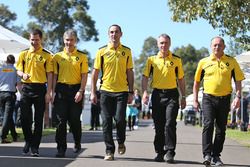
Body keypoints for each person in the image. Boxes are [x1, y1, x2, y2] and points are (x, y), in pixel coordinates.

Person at [193, 36, 245, 166]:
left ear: (224, 47)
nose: (217, 47)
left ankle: (216, 156)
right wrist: (195, 99)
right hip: (208, 98)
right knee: (208, 124)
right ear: (211, 47)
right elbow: (196, 82)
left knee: (221, 128)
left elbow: (238, 80)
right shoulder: (203, 62)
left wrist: (238, 97)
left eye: (219, 45)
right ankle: (207, 154)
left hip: (225, 99)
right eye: (215, 45)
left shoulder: (231, 61)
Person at [90, 24, 134, 161]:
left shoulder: (127, 51)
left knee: (120, 119)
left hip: (122, 92)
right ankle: (109, 150)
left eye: (116, 32)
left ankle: (121, 141)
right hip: (105, 92)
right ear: (108, 35)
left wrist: (131, 91)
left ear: (121, 34)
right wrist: (92, 92)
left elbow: (130, 72)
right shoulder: (101, 51)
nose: (113, 34)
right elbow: (95, 73)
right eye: (111, 32)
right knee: (106, 122)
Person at [142, 34, 186, 163]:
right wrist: (144, 92)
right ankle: (159, 152)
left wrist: (183, 96)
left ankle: (170, 152)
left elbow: (181, 79)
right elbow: (145, 77)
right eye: (161, 43)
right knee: (159, 125)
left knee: (170, 123)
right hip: (157, 95)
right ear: (157, 44)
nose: (164, 45)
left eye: (166, 43)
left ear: (170, 44)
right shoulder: (151, 60)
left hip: (172, 94)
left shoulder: (176, 60)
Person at [16, 29, 53, 156]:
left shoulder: (47, 55)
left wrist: (49, 92)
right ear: (29, 39)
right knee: (24, 117)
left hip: (40, 88)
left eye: (36, 40)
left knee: (38, 120)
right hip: (26, 88)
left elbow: (49, 74)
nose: (34, 42)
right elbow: (18, 70)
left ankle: (35, 147)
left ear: (41, 39)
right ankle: (28, 140)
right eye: (32, 39)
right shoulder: (23, 54)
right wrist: (23, 74)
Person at [52, 29, 88, 158]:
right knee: (61, 121)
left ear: (76, 41)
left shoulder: (82, 56)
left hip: (76, 90)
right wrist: (52, 92)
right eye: (67, 40)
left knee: (74, 120)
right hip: (61, 90)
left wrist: (81, 91)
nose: (69, 43)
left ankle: (77, 142)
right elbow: (54, 76)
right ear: (63, 40)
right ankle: (61, 148)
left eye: (72, 40)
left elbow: (84, 76)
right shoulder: (57, 57)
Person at [0, 55, 21, 143]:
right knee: (7, 116)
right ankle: (3, 136)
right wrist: (22, 95)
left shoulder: (1, 69)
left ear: (6, 61)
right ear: (14, 61)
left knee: (7, 116)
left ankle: (14, 135)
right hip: (10, 94)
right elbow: (18, 84)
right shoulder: (15, 71)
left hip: (1, 93)